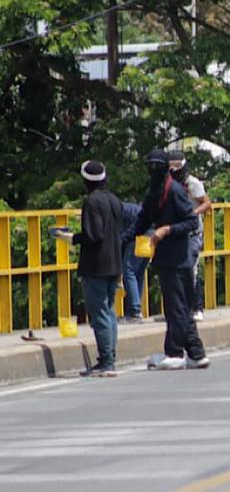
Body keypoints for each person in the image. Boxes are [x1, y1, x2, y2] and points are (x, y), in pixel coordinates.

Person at [127, 149, 208, 370]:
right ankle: (196, 352)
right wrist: (122, 240)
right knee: (180, 308)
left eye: (158, 166)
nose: (154, 170)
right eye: (150, 166)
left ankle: (174, 352)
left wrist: (166, 230)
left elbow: (191, 222)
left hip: (179, 257)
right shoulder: (155, 191)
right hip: (165, 257)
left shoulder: (174, 191)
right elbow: (142, 220)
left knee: (176, 308)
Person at [68, 160, 124, 376]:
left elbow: (94, 235)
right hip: (115, 263)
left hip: (96, 266)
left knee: (99, 313)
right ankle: (111, 357)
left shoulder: (92, 202)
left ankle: (106, 361)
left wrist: (72, 238)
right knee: (109, 311)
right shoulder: (114, 200)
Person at [170, 153, 210, 321]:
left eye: (177, 166)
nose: (174, 169)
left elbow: (207, 203)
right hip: (177, 232)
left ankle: (197, 307)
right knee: (175, 271)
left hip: (193, 233)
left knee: (191, 269)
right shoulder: (169, 184)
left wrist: (192, 214)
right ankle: (181, 308)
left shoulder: (191, 183)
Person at [120, 201, 149, 323]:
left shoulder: (116, 213)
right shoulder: (130, 208)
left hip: (137, 237)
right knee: (139, 273)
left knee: (129, 272)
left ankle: (134, 311)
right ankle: (136, 310)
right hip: (150, 237)